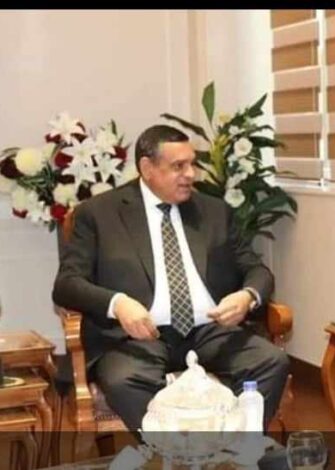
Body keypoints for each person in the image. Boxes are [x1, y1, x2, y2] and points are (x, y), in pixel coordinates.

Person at [52, 124, 289, 432]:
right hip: (138, 337)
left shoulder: (214, 211)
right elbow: (67, 284)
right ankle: (175, 453)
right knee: (124, 380)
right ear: (147, 168)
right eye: (179, 166)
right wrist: (118, 304)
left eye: (192, 164)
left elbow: (257, 270)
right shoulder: (99, 214)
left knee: (271, 362)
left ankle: (237, 450)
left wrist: (247, 296)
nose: (190, 174)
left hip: (211, 330)